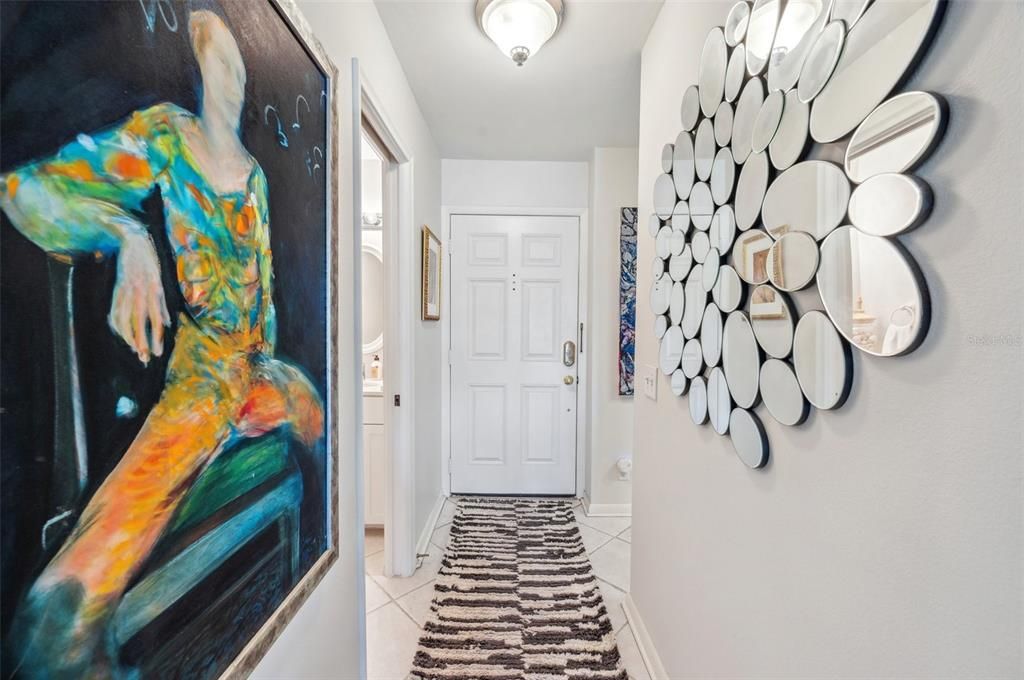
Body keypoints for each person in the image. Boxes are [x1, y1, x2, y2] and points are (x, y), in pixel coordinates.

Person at [0, 11, 323, 677]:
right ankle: (66, 636)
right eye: (218, 66)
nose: (231, 83)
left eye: (238, 69)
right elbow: (29, 191)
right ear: (200, 72)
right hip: (202, 376)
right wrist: (128, 234)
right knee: (67, 604)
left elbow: (262, 301)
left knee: (315, 414)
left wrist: (270, 380)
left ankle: (322, 559)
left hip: (254, 370)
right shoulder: (165, 138)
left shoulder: (255, 178)